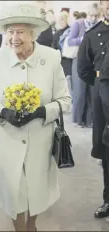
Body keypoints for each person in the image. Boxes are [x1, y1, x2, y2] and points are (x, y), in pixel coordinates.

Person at [0, 3, 71, 231]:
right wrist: (3, 113)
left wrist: (43, 111)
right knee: (14, 191)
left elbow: (65, 100)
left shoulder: (51, 57)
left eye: (20, 32)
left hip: (40, 137)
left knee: (36, 190)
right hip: (9, 137)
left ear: (33, 33)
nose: (14, 38)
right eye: (10, 32)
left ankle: (31, 226)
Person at [77, 0, 109, 219]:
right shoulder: (93, 34)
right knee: (107, 151)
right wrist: (100, 86)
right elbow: (83, 69)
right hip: (104, 99)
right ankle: (108, 199)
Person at [69, 2, 101, 128]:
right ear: (87, 14)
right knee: (79, 91)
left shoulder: (99, 26)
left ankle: (89, 120)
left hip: (94, 61)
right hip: (79, 59)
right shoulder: (78, 24)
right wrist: (84, 39)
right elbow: (70, 41)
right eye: (91, 15)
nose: (93, 18)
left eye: (95, 16)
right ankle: (78, 120)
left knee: (91, 92)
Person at [52, 11, 72, 89]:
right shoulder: (57, 33)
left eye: (63, 19)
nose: (61, 21)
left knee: (69, 86)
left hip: (68, 63)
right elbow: (54, 47)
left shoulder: (71, 31)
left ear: (67, 20)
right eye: (60, 19)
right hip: (59, 62)